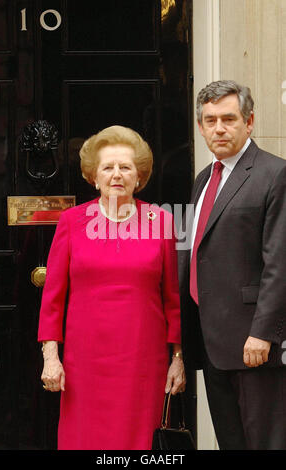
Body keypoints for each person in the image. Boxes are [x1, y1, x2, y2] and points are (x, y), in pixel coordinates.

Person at [38, 125, 185, 450]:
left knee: (140, 441)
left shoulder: (160, 222)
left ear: (139, 175)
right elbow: (53, 298)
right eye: (108, 167)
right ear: (93, 175)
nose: (116, 175)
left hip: (143, 362)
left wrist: (177, 356)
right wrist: (51, 355)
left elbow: (171, 298)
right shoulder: (72, 222)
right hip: (85, 363)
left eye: (125, 167)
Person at [179, 80, 286, 450]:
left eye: (229, 118)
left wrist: (264, 333)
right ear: (201, 127)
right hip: (212, 343)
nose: (219, 128)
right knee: (231, 442)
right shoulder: (203, 180)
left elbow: (280, 262)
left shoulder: (275, 174)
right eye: (210, 120)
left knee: (265, 442)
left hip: (253, 344)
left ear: (249, 122)